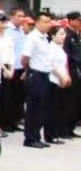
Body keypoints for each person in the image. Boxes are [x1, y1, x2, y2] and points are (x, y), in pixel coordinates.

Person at [21, 11, 54, 148]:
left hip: (45, 75)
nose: (48, 25)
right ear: (37, 23)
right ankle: (30, 138)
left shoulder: (45, 38)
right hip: (35, 74)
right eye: (45, 22)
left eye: (49, 22)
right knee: (33, 108)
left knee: (42, 107)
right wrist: (28, 70)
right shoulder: (32, 37)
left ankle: (37, 137)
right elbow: (25, 58)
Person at [47, 26, 72, 144]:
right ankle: (50, 135)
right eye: (60, 34)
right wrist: (61, 77)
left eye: (64, 34)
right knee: (52, 109)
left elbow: (64, 64)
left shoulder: (60, 48)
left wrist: (67, 76)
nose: (63, 36)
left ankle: (56, 133)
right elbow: (51, 65)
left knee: (60, 108)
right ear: (53, 36)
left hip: (62, 80)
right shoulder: (51, 47)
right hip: (53, 80)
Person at [0, 14, 16, 132]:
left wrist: (11, 69)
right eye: (1, 22)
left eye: (5, 22)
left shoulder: (8, 38)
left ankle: (4, 124)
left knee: (7, 98)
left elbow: (12, 55)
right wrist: (4, 70)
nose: (3, 25)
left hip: (8, 68)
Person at [63, 11, 81, 137]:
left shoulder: (76, 35)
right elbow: (67, 55)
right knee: (69, 102)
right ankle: (65, 129)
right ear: (71, 20)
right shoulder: (67, 35)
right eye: (78, 20)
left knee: (76, 102)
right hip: (71, 71)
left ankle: (71, 128)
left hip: (78, 72)